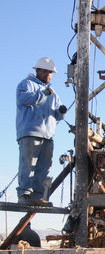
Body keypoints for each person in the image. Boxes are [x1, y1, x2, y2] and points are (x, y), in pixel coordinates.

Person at [16, 57, 67, 206]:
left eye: (50, 72)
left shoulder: (53, 93)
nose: (47, 75)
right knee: (28, 166)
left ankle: (37, 196)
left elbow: (56, 115)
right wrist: (43, 94)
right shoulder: (27, 84)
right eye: (44, 71)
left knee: (44, 167)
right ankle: (24, 194)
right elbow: (23, 99)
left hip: (48, 135)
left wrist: (62, 112)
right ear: (37, 71)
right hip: (30, 133)